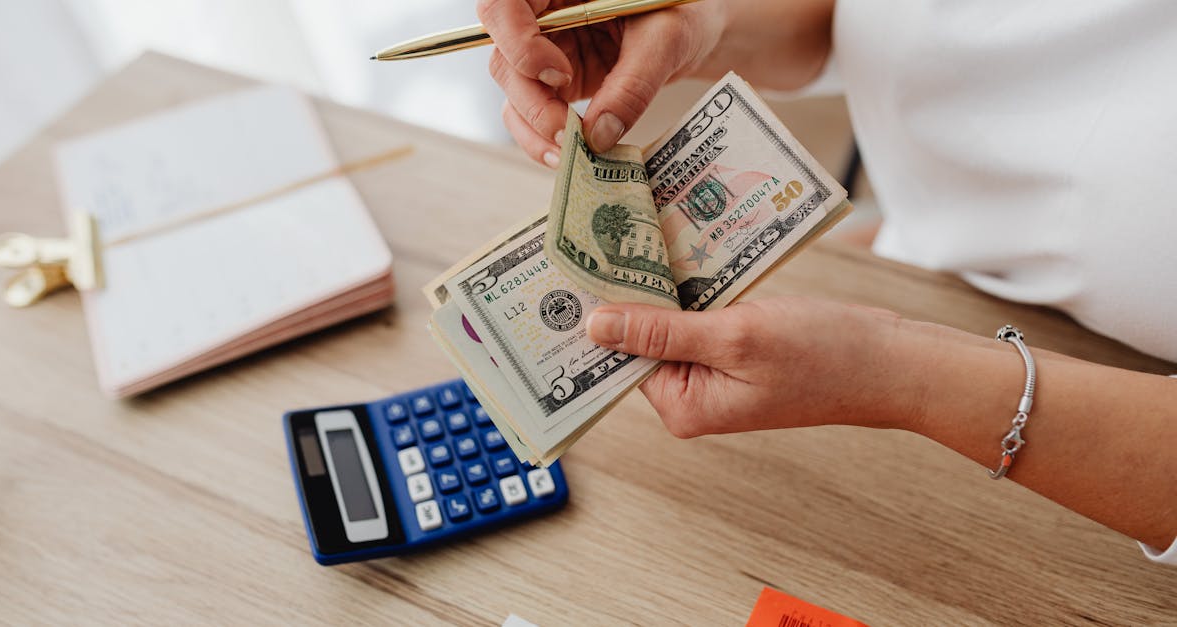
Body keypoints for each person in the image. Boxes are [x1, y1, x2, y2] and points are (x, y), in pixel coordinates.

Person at [474, 0, 1177, 563]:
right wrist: (703, 22)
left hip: (1092, 471)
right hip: (916, 285)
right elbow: (861, 20)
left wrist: (896, 373)